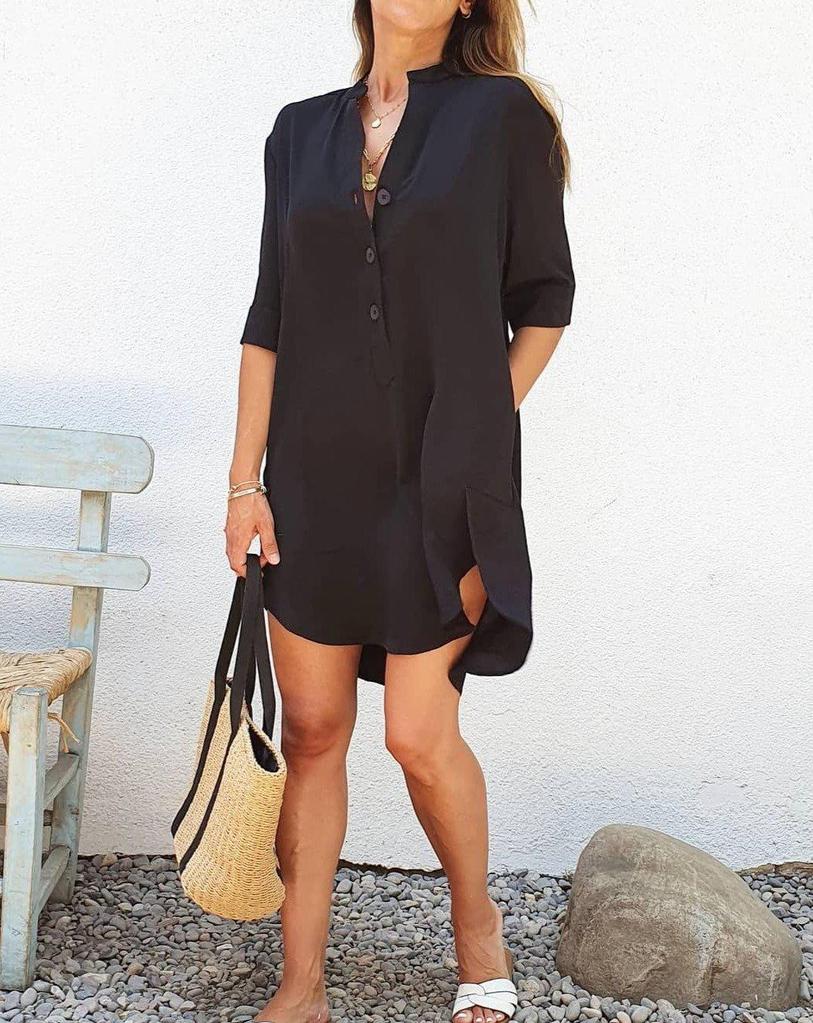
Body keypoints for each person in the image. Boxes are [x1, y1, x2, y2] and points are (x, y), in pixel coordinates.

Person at [224, 1, 575, 1020]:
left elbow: (545, 300)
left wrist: (476, 424)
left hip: (443, 483)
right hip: (311, 479)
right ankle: (301, 982)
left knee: (418, 733)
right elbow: (268, 314)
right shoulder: (299, 132)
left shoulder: (504, 119)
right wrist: (245, 483)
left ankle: (477, 932)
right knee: (315, 730)